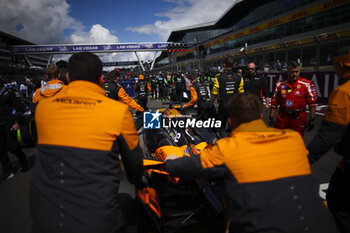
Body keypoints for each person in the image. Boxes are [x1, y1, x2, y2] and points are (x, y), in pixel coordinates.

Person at [165, 93, 340, 233]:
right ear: (260, 117)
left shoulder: (227, 148)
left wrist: (170, 161)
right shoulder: (293, 139)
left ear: (231, 121)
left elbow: (186, 166)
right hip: (322, 223)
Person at [30, 52, 144, 233]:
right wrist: (138, 181)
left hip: (46, 215)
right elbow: (135, 162)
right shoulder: (118, 112)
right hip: (98, 218)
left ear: (67, 76)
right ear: (100, 78)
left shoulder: (43, 108)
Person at [307, 50, 350, 233]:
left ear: (342, 66)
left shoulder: (344, 93)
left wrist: (301, 161)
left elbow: (327, 137)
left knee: (338, 208)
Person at [269, 60, 317, 137]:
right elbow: (274, 101)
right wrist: (271, 117)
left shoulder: (307, 84)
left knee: (296, 142)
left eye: (296, 72)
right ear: (287, 72)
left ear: (299, 71)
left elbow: (312, 103)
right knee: (280, 141)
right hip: (282, 117)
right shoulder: (280, 84)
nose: (294, 74)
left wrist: (312, 118)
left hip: (298, 118)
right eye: (292, 72)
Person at [0, 77, 29, 181]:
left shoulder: (9, 93)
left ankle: (24, 160)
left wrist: (17, 122)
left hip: (9, 124)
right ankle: (7, 171)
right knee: (1, 150)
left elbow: (18, 107)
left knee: (12, 147)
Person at [211, 57, 244, 132]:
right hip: (234, 107)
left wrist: (210, 103)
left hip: (223, 106)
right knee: (232, 127)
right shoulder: (239, 77)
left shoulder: (219, 77)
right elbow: (241, 94)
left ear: (224, 65)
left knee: (222, 127)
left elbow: (214, 93)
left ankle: (224, 141)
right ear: (233, 65)